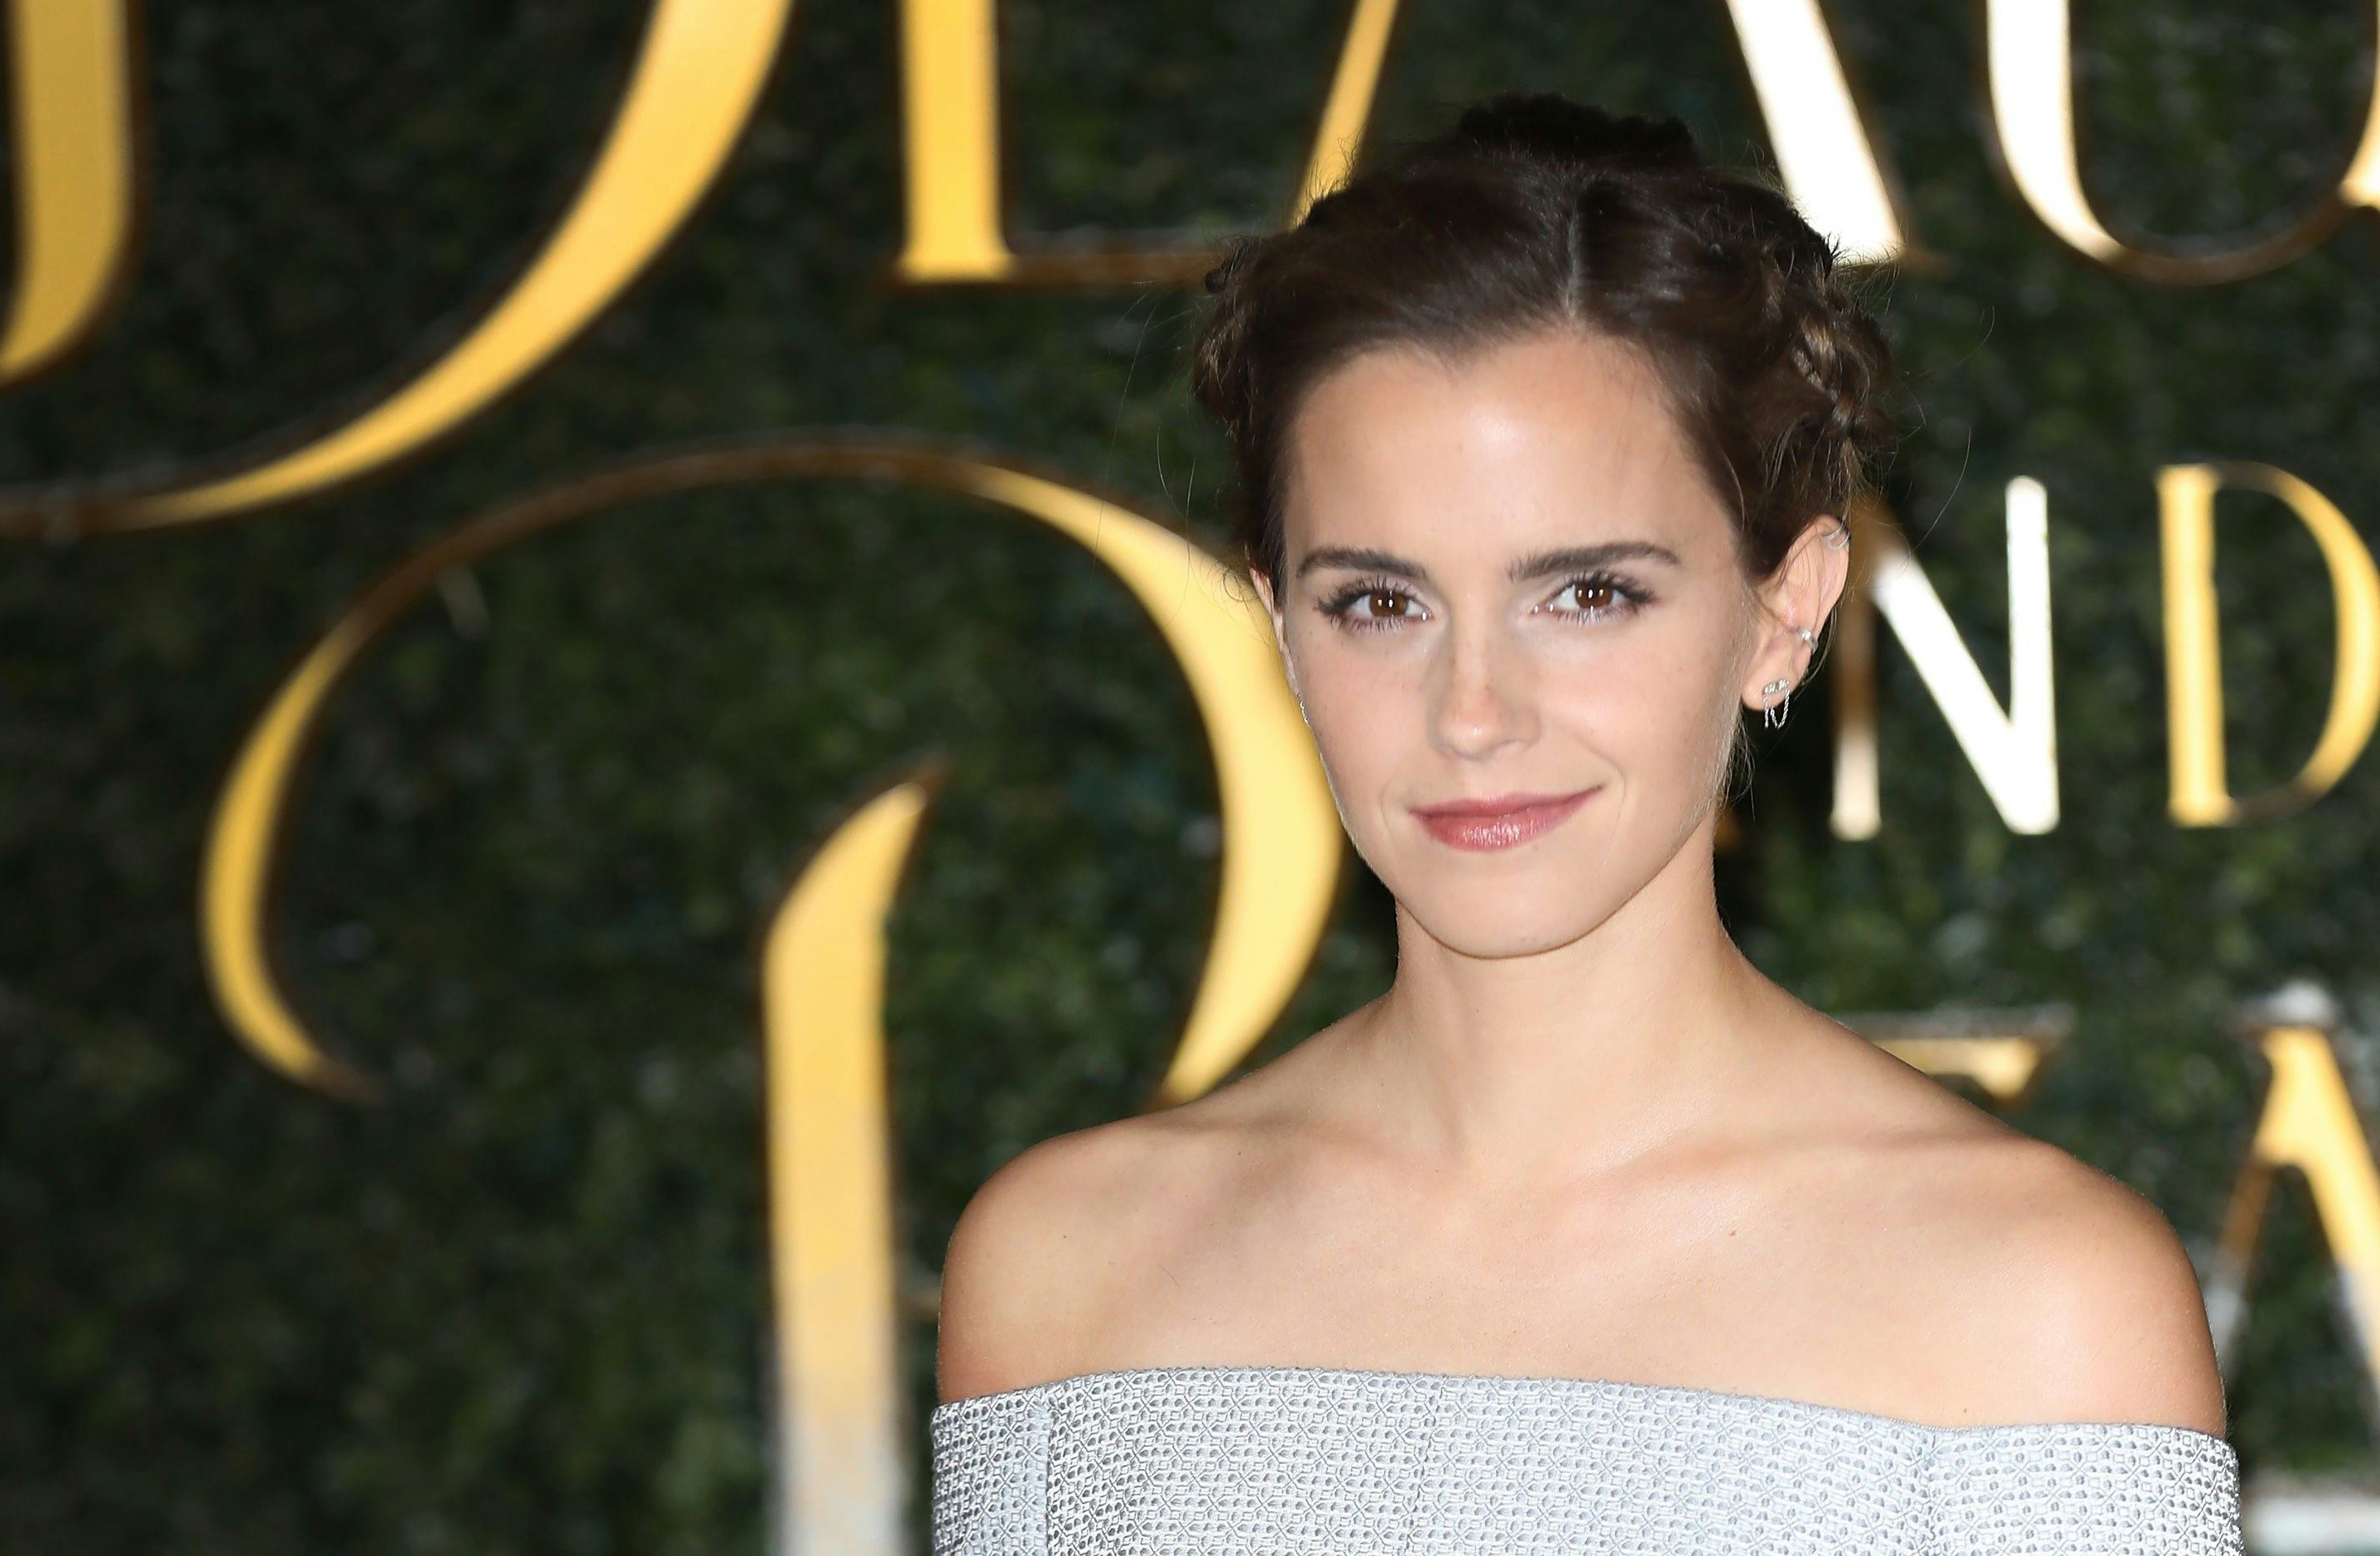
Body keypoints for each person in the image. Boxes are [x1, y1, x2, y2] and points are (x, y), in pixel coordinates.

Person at [927, 90, 2241, 1553]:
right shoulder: (1067, 1273)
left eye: (1588, 594)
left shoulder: (2040, 1304)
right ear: (1281, 623)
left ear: (1785, 611)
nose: (1473, 714)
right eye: (1380, 602)